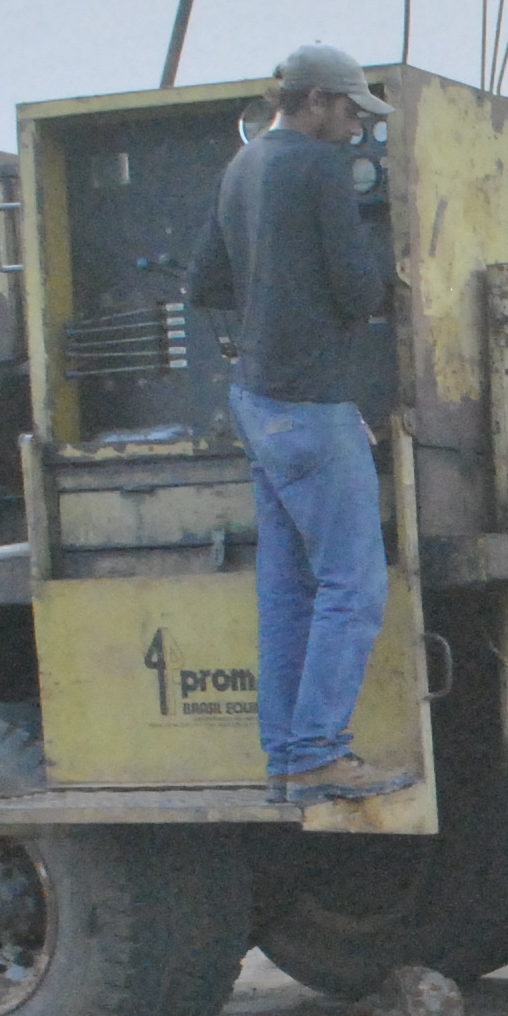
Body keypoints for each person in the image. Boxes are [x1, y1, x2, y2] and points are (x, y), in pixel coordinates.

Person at [186, 43, 414, 806]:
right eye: (352, 112)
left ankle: (287, 758)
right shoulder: (316, 169)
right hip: (313, 404)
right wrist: (389, 284)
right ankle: (319, 752)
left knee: (287, 593)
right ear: (315, 100)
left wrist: (269, 300)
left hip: (255, 403)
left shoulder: (241, 166)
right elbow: (355, 289)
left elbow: (203, 282)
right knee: (355, 586)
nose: (356, 129)